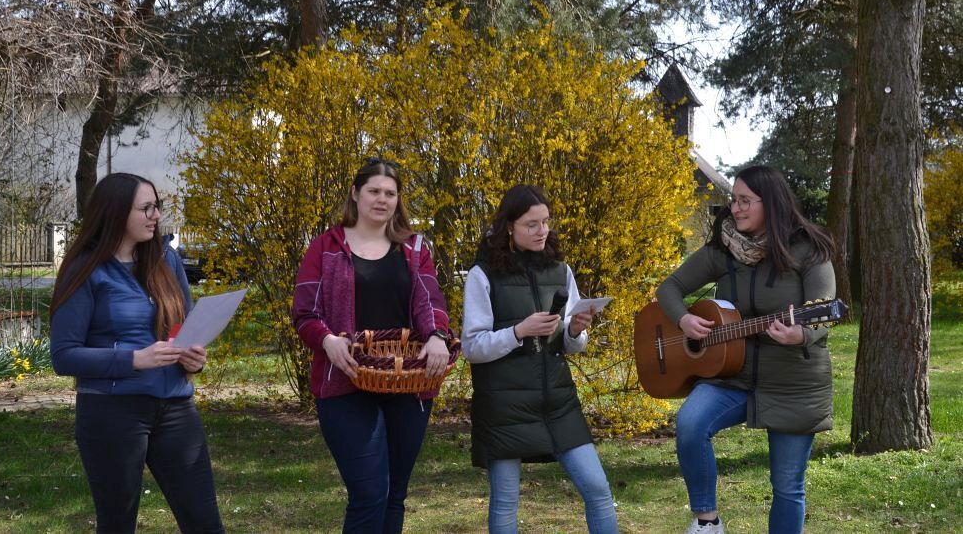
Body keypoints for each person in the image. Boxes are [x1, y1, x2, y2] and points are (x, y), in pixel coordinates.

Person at [655, 165, 838, 534]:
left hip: (792, 382)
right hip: (731, 375)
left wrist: (802, 335)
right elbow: (669, 288)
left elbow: (823, 311)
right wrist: (683, 320)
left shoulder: (809, 249)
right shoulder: (723, 249)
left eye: (745, 201)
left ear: (770, 203)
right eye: (733, 200)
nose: (735, 209)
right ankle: (707, 522)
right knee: (690, 423)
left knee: (787, 486)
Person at [49, 173, 224, 534]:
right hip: (112, 412)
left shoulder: (166, 259)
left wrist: (193, 358)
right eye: (146, 208)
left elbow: (184, 327)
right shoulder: (85, 268)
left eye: (157, 206)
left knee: (205, 524)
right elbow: (64, 356)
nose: (156, 215)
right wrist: (134, 359)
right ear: (115, 212)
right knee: (117, 524)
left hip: (175, 406)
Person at [291, 159, 455, 534]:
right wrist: (327, 340)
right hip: (344, 382)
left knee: (394, 494)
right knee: (369, 494)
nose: (382, 199)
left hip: (407, 383)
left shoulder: (414, 248)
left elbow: (430, 302)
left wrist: (437, 335)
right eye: (374, 191)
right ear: (355, 193)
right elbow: (304, 313)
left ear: (398, 200)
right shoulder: (326, 247)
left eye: (390, 193)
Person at [462, 184, 618, 534]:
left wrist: (575, 330)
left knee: (598, 490)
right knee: (506, 502)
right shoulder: (482, 274)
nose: (542, 230)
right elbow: (472, 347)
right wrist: (519, 331)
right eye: (531, 224)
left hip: (558, 402)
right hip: (504, 407)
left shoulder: (561, 270)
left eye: (546, 222)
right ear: (509, 227)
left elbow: (571, 344)